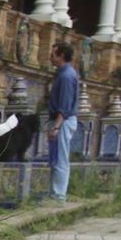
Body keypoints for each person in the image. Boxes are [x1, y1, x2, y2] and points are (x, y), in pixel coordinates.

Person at [47, 41, 80, 202]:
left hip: (63, 121)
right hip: (61, 120)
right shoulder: (62, 73)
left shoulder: (67, 76)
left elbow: (65, 106)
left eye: (53, 54)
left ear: (62, 56)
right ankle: (55, 192)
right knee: (56, 156)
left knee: (60, 157)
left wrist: (56, 127)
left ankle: (59, 194)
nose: (50, 57)